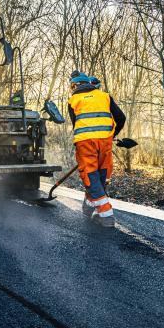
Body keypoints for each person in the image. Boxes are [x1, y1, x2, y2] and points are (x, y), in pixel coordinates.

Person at [67, 71, 126, 227]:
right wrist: (112, 135)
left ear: (74, 85)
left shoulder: (73, 100)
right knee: (102, 174)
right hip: (105, 141)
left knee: (90, 175)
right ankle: (89, 205)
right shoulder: (104, 96)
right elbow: (121, 118)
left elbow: (76, 125)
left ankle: (106, 215)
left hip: (85, 143)